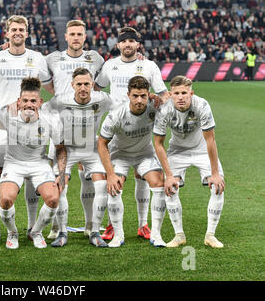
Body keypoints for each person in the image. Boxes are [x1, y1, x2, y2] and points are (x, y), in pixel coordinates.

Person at [0, 15, 53, 243]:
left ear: (27, 33)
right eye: (14, 29)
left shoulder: (38, 58)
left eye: (22, 29)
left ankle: (32, 227)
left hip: (32, 126)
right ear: (7, 33)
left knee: (32, 175)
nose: (18, 32)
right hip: (3, 127)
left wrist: (44, 110)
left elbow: (52, 89)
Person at [95, 26, 169, 241]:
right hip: (117, 130)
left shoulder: (148, 65)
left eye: (132, 41)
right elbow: (97, 90)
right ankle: (111, 226)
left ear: (138, 44)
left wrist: (154, 98)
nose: (127, 45)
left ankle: (143, 224)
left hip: (142, 127)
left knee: (142, 177)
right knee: (115, 181)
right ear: (118, 45)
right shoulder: (110, 66)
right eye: (124, 41)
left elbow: (164, 95)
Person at [45, 20, 105, 239]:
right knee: (59, 179)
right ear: (66, 37)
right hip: (60, 128)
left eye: (80, 34)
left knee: (88, 177)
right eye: (73, 34)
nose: (76, 37)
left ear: (84, 37)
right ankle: (56, 226)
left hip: (88, 126)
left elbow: (100, 84)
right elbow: (46, 83)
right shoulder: (52, 58)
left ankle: (90, 225)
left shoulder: (96, 58)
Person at [42, 67, 115, 248]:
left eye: (87, 84)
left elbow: (122, 108)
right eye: (79, 84)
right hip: (67, 150)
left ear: (92, 85)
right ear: (73, 85)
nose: (83, 88)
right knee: (60, 187)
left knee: (101, 185)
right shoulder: (61, 101)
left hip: (91, 149)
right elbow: (43, 110)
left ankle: (95, 232)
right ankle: (62, 232)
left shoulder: (102, 100)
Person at [153, 75, 225, 248]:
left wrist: (215, 174)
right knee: (169, 188)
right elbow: (158, 143)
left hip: (201, 150)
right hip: (177, 151)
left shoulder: (201, 105)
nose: (180, 97)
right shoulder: (164, 110)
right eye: (176, 93)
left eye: (184, 93)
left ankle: (210, 235)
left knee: (218, 185)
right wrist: (169, 175)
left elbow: (210, 140)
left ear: (191, 93)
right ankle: (179, 235)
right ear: (171, 94)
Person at [0, 77, 67, 249]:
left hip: (39, 164)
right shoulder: (7, 115)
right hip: (13, 163)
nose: (29, 104)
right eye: (25, 101)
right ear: (19, 101)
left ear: (40, 102)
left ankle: (36, 232)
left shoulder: (50, 120)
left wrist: (61, 174)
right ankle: (12, 232)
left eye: (33, 101)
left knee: (53, 199)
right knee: (5, 200)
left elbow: (60, 148)